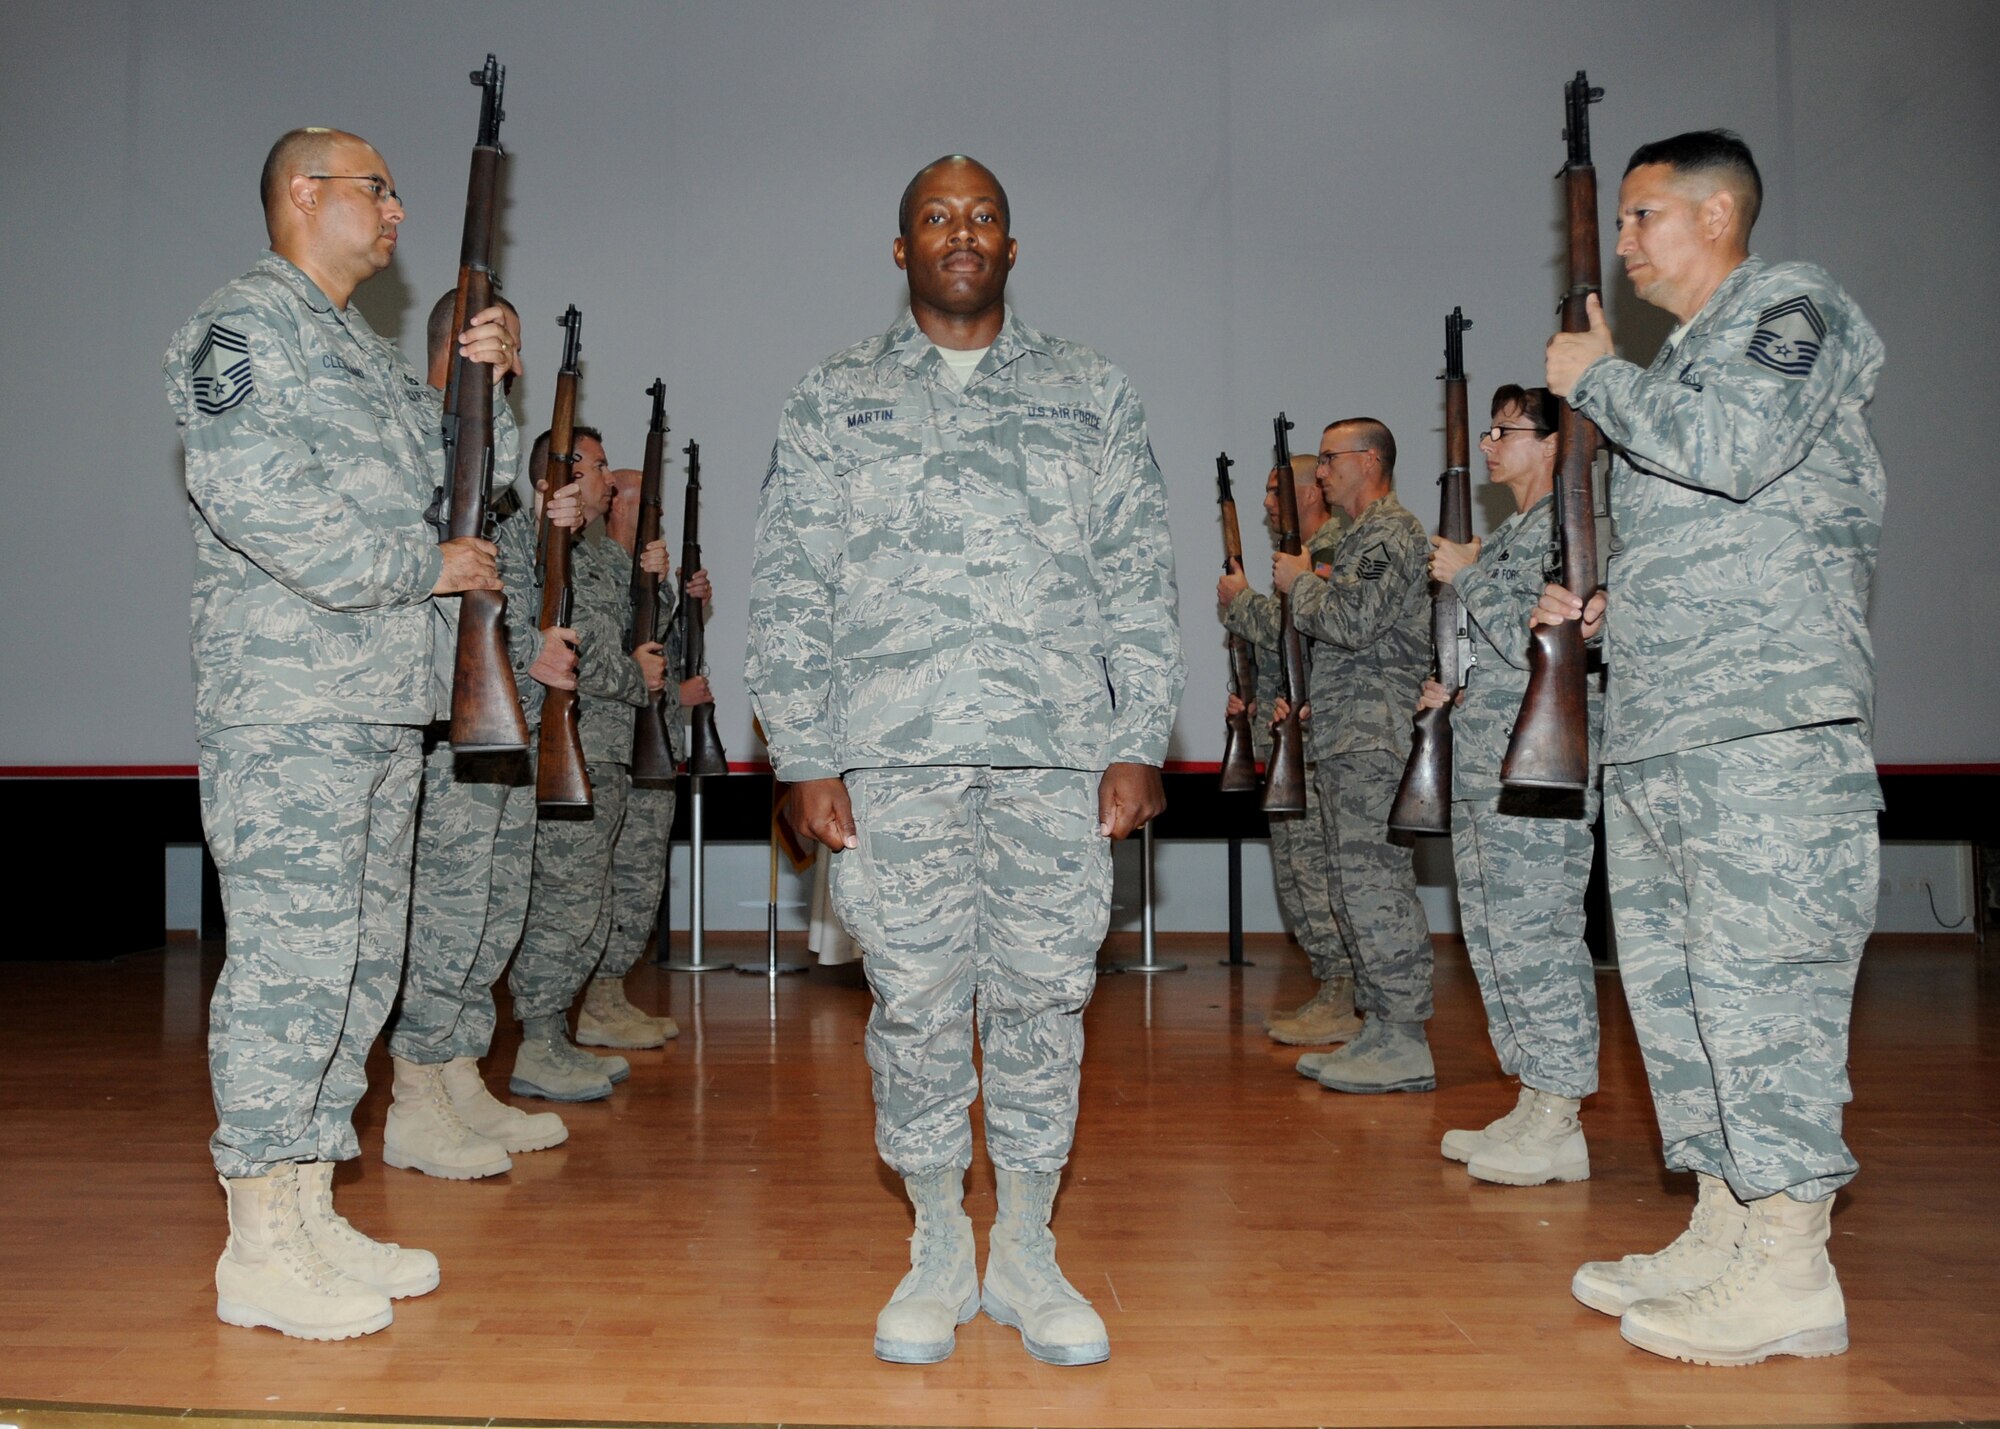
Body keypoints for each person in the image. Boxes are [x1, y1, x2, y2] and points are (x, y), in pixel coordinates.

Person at [746, 155, 1184, 1368]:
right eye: (935, 217)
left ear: (1010, 244)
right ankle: (937, 1244)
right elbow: (791, 585)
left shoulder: (1088, 390)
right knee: (917, 1006)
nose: (960, 232)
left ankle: (1028, 1250)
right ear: (900, 250)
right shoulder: (832, 397)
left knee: (1046, 1003)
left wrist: (1135, 737)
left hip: (1055, 762)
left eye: (981, 216)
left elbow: (1138, 578)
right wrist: (804, 752)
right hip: (891, 764)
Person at [1535, 130, 1883, 1365]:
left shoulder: (1790, 306)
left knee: (1762, 994)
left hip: (1764, 734)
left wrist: (1598, 378)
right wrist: (1615, 607)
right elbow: (1718, 533)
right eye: (1618, 222)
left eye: (1641, 219)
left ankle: (1791, 1265)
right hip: (1667, 731)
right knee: (1682, 1001)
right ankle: (1727, 1224)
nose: (1622, 244)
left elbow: (1734, 451)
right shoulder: (1682, 359)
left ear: (1718, 212)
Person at [163, 127, 508, 1339]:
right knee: (291, 969)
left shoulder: (359, 358)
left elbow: (466, 491)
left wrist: (485, 390)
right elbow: (259, 501)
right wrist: (420, 568)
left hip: (377, 708)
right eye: (378, 188)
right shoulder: (242, 328)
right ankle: (255, 1244)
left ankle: (307, 1208)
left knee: (357, 969)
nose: (398, 210)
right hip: (291, 707)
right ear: (305, 193)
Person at [379, 291, 586, 1179]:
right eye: (499, 342)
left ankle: (459, 1071)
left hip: (502, 714)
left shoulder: (490, 454)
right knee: (452, 904)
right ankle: (415, 1095)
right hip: (448, 721)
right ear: (458, 346)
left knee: (495, 902)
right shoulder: (415, 434)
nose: (514, 360)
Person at [1418, 385, 1601, 1184]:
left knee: (1538, 936)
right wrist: (1453, 691)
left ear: (1556, 443)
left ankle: (1562, 1113)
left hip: (1539, 771)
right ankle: (1534, 1097)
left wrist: (1470, 573)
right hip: (1489, 766)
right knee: (1493, 937)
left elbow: (1548, 628)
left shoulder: (1572, 533)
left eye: (1508, 430)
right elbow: (1499, 653)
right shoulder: (1513, 534)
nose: (1489, 444)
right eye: (1485, 428)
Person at [1271, 420, 1434, 1093]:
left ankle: (1405, 1035)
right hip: (1343, 734)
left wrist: (1300, 584)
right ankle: (1379, 1025)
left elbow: (1353, 621)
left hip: (1374, 737)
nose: (1321, 473)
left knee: (1375, 888)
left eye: (1331, 459)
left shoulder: (1391, 531)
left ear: (1371, 461)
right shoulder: (1364, 534)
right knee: (1349, 886)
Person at [505, 428, 668, 1099]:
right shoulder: (536, 547)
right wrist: (634, 679)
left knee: (590, 903)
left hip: (605, 751)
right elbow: (568, 649)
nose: (606, 478)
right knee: (565, 904)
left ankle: (557, 1036)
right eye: (597, 466)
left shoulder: (598, 558)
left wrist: (666, 591)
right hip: (567, 747)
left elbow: (645, 638)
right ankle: (538, 1042)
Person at [1216, 454, 1359, 1045]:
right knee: (1296, 874)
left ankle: (1345, 993)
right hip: (1283, 738)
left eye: (1277, 492)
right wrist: (1247, 697)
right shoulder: (1293, 558)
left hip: (1317, 739)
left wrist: (1240, 598)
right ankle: (1332, 987)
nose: (1268, 504)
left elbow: (1297, 621)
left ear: (1310, 495)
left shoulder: (1327, 550)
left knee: (1319, 872)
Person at [571, 465, 714, 1050]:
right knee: (594, 880)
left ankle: (608, 995)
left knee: (638, 879)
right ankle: (582, 1003)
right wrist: (665, 692)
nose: (630, 506)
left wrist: (692, 609)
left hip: (652, 750)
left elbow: (670, 657)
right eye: (632, 499)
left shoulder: (649, 580)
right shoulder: (592, 567)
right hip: (607, 745)